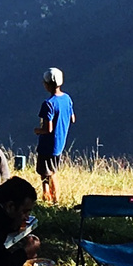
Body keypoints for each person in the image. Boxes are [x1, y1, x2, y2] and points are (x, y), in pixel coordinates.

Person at [34, 68, 74, 204]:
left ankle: (52, 200)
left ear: (47, 84)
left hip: (47, 145)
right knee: (52, 170)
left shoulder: (48, 103)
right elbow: (72, 118)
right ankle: (52, 200)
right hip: (60, 143)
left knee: (47, 174)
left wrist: (38, 131)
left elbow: (48, 129)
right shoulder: (67, 98)